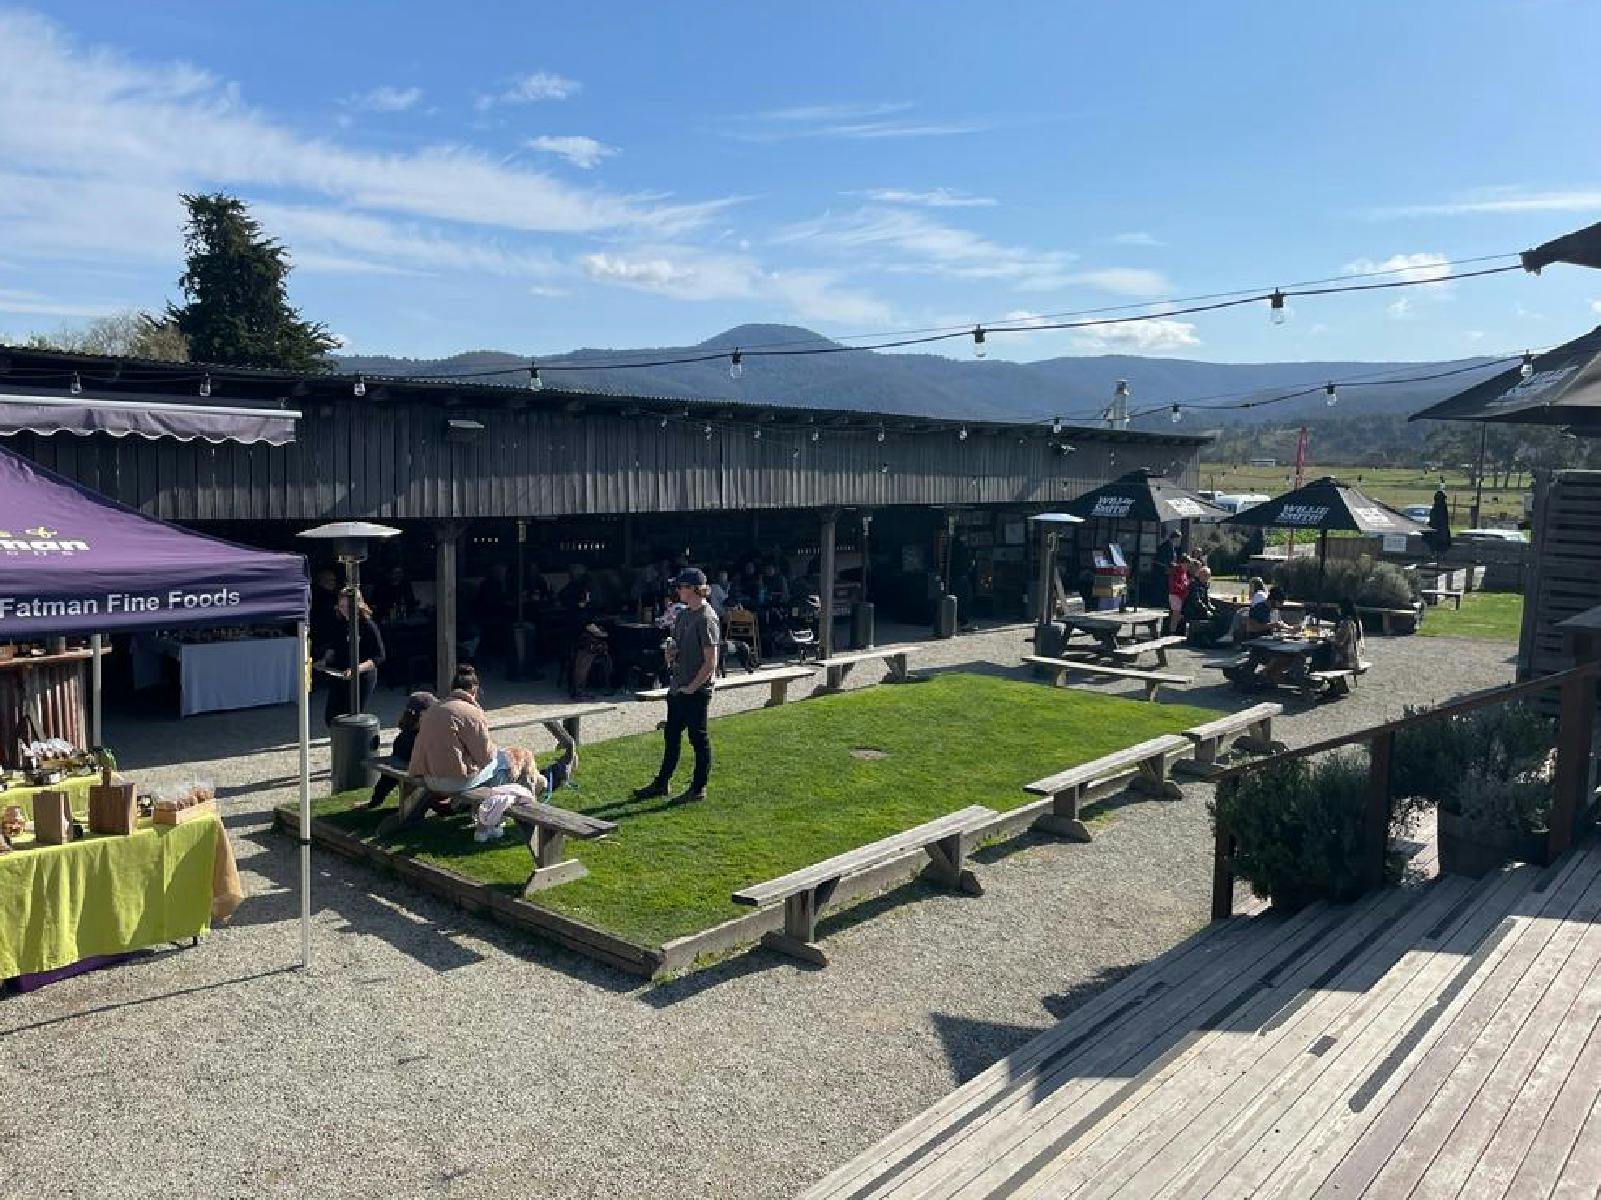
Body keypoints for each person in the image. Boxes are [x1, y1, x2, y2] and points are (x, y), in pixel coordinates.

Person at [633, 567, 720, 804]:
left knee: (698, 739)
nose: (677, 591)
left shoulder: (707, 618)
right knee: (671, 736)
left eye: (681, 587)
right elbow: (676, 645)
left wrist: (692, 688)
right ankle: (662, 783)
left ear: (693, 589)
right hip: (678, 687)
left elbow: (710, 662)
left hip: (696, 690)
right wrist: (670, 653)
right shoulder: (683, 615)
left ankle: (698, 788)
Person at [320, 589, 386, 726]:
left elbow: (379, 656)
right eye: (342, 606)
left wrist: (357, 669)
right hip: (340, 673)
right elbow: (335, 646)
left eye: (348, 607)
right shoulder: (339, 623)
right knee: (331, 716)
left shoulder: (368, 626)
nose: (345, 610)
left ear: (358, 605)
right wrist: (325, 660)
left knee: (352, 716)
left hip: (362, 677)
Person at [365, 691, 436, 809]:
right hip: (424, 778)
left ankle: (375, 802)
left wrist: (375, 800)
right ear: (424, 714)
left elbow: (387, 779)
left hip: (408, 773)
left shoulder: (403, 737)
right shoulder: (419, 738)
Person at [1312, 597, 1365, 672]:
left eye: (1339, 608)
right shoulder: (1357, 621)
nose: (1338, 610)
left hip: (1346, 661)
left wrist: (1327, 638)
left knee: (1319, 652)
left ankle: (1311, 676)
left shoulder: (1347, 623)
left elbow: (1339, 642)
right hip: (1356, 658)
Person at [1166, 553, 1192, 634]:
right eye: (1186, 564)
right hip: (1175, 595)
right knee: (1176, 615)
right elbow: (1173, 584)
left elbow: (1185, 582)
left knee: (1178, 614)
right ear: (1182, 563)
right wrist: (1183, 588)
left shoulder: (1184, 572)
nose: (1187, 566)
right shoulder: (1176, 570)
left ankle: (1173, 630)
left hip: (1181, 595)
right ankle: (1171, 631)